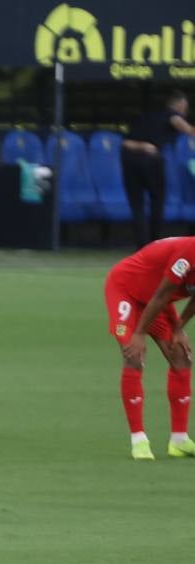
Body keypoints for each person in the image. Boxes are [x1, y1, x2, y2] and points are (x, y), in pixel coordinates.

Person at [108, 237, 195, 459]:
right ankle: (139, 440)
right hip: (126, 289)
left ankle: (179, 440)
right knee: (134, 355)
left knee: (181, 356)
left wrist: (178, 328)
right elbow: (162, 295)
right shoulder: (188, 254)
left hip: (155, 300)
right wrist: (138, 334)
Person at [122, 89, 194, 248]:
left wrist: (140, 145)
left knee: (137, 204)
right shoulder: (172, 114)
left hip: (129, 157)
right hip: (150, 158)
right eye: (184, 107)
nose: (185, 111)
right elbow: (180, 124)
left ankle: (141, 246)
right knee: (157, 201)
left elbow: (125, 142)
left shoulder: (146, 115)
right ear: (178, 104)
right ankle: (154, 244)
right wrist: (190, 130)